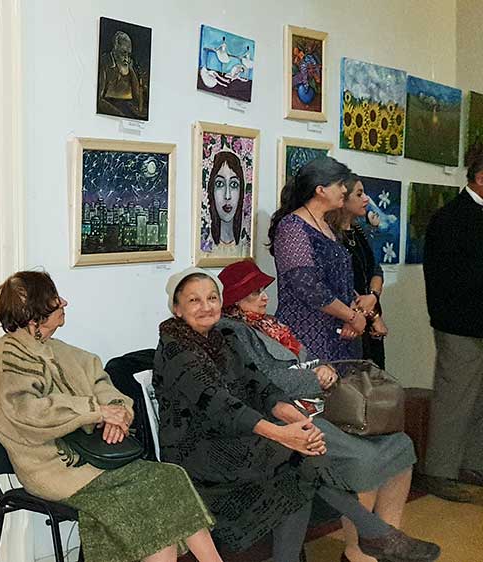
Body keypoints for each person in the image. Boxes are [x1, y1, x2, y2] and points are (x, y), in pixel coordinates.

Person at [154, 268, 440, 562]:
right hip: (199, 449)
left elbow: (261, 387)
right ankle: (375, 533)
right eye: (194, 300)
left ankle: (371, 535)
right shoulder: (176, 349)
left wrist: (299, 422)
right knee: (299, 461)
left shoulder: (223, 337)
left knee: (301, 463)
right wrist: (282, 434)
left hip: (234, 436)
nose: (206, 307)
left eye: (212, 298)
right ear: (177, 309)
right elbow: (221, 406)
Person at [0, 271, 222, 562]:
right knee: (151, 500)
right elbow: (27, 411)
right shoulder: (7, 356)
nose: (63, 302)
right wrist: (95, 410)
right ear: (33, 314)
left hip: (100, 458)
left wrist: (118, 415)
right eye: (54, 298)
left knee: (170, 478)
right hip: (54, 469)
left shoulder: (60, 351)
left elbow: (102, 385)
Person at [217, 260, 416, 562]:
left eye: (263, 290)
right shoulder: (231, 332)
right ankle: (358, 551)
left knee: (400, 445)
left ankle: (385, 542)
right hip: (285, 416)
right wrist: (315, 377)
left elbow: (308, 358)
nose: (264, 297)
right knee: (366, 458)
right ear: (234, 300)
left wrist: (323, 368)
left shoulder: (270, 324)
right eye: (253, 293)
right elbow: (264, 382)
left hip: (319, 405)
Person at [418, 144, 483, 503]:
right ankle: (439, 471)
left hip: (475, 322)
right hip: (459, 325)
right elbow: (447, 279)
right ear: (480, 178)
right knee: (454, 400)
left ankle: (473, 464)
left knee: (479, 400)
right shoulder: (450, 218)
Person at [268, 156, 363, 362]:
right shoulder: (292, 227)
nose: (344, 190)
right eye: (339, 184)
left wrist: (353, 310)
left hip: (340, 334)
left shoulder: (328, 225)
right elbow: (306, 285)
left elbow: (341, 279)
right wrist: (351, 316)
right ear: (320, 190)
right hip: (307, 335)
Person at [326, 175, 388, 368]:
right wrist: (371, 314)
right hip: (345, 321)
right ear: (343, 199)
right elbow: (337, 283)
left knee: (375, 377)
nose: (366, 199)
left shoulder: (361, 231)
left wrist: (373, 297)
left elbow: (376, 270)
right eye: (359, 194)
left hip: (369, 318)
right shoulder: (329, 235)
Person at [206, 151, 246, 248]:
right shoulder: (205, 244)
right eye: (220, 184)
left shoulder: (246, 246)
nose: (227, 196)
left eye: (234, 184)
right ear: (211, 190)